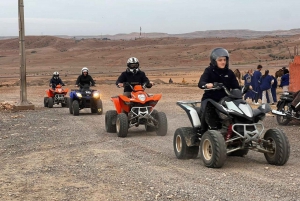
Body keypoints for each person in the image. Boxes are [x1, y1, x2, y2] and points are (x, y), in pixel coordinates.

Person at [198, 47, 240, 131]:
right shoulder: (209, 71)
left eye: (224, 60)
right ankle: (203, 132)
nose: (223, 62)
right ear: (214, 61)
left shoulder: (229, 73)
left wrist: (244, 89)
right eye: (220, 60)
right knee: (209, 112)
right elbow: (201, 83)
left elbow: (236, 87)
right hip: (210, 99)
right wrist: (207, 85)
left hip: (225, 100)